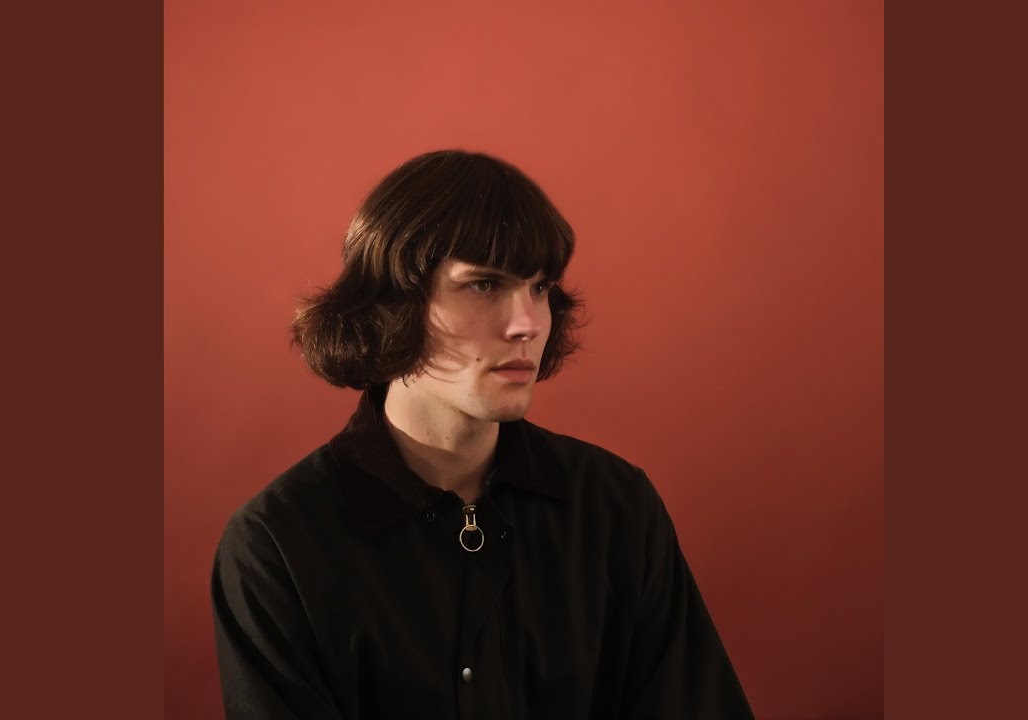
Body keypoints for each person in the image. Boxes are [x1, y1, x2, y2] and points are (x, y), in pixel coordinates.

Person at [211, 149, 754, 719]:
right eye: (484, 285)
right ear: (392, 303)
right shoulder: (278, 545)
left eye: (540, 288)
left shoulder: (616, 507)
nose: (527, 324)